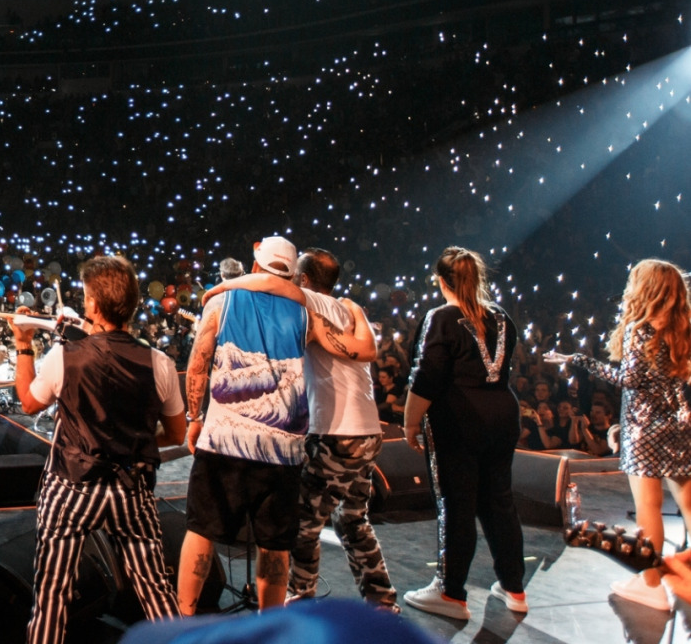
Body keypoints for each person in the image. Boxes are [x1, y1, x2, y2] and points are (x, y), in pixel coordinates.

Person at [203, 247, 398, 609]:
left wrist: (219, 290)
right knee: (354, 521)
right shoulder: (350, 307)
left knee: (304, 523)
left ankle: (301, 599)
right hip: (369, 432)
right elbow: (369, 350)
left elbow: (264, 280)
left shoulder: (305, 300)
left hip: (336, 432)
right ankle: (382, 601)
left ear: (303, 279)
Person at [11, 254, 185, 643]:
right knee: (155, 587)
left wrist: (23, 344)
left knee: (52, 592)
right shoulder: (159, 363)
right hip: (131, 488)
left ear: (91, 304)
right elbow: (176, 434)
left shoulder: (64, 357)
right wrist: (135, 440)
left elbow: (27, 402)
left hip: (71, 487)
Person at [548, 259, 691, 611]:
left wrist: (580, 359)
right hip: (680, 424)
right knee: (689, 503)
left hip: (645, 429)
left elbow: (628, 379)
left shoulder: (640, 329)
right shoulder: (682, 327)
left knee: (648, 507)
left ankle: (651, 585)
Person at [178, 236, 309, 613]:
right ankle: (272, 626)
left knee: (202, 530)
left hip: (223, 443)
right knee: (275, 542)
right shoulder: (307, 311)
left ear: (255, 265)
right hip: (283, 451)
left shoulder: (223, 300)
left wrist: (194, 418)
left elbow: (198, 363)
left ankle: (183, 617)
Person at [401, 247, 526, 618]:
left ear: (442, 281)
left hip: (459, 420)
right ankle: (514, 588)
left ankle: (451, 592)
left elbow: (426, 377)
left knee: (456, 504)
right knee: (499, 500)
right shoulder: (501, 317)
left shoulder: (441, 317)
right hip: (503, 413)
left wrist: (410, 422)